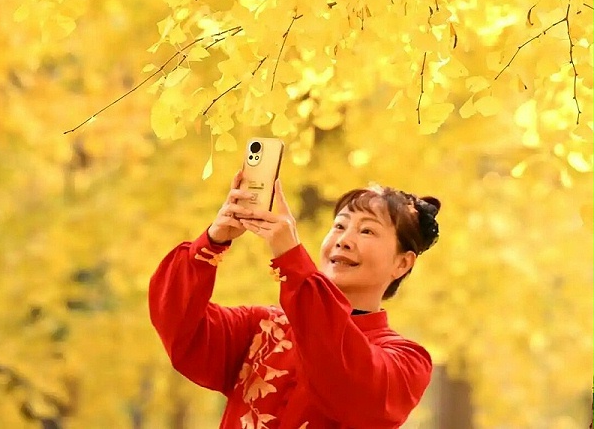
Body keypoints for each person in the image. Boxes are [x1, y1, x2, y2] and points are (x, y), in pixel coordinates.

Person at [149, 172, 441, 429]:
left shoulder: (406, 360)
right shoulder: (262, 328)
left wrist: (292, 261)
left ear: (402, 264)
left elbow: (345, 380)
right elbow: (178, 325)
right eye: (340, 226)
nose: (344, 240)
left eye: (367, 230)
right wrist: (213, 241)